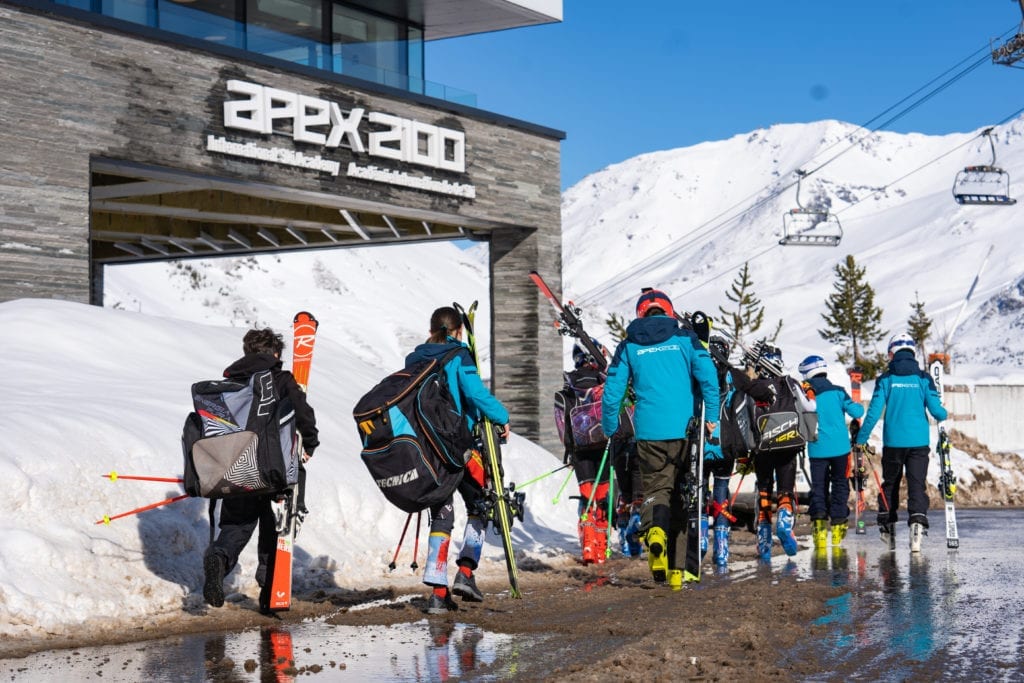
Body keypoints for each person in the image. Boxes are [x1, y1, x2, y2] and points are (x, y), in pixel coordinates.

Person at [601, 289, 719, 587]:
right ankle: (677, 572)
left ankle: (655, 533)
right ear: (668, 311)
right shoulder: (686, 339)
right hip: (685, 431)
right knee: (682, 495)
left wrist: (610, 427)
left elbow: (612, 391)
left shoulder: (628, 345)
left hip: (648, 432)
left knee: (656, 489)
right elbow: (708, 377)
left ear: (641, 313)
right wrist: (713, 418)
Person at [203, 328, 319, 611]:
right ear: (275, 353)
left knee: (236, 525)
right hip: (274, 470)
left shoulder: (231, 383)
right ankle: (269, 592)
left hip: (237, 468)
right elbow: (303, 413)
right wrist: (311, 442)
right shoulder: (281, 379)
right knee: (273, 529)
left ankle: (220, 557)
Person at [405, 306, 511, 614]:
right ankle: (466, 571)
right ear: (459, 332)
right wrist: (502, 417)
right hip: (460, 446)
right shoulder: (459, 356)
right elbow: (476, 394)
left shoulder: (413, 359)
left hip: (428, 450)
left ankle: (438, 592)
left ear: (430, 330)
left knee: (441, 513)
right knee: (480, 504)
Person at [853, 332, 947, 552]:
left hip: (893, 443)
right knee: (917, 484)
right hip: (918, 443)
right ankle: (917, 526)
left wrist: (861, 439)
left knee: (890, 484)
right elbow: (937, 412)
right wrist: (944, 411)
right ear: (912, 352)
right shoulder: (924, 378)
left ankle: (887, 528)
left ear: (892, 353)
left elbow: (873, 413)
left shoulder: (886, 379)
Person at [728, 344, 811, 561]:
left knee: (764, 490)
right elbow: (809, 408)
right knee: (786, 489)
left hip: (763, 448)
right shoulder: (790, 383)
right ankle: (784, 521)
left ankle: (764, 538)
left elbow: (743, 420)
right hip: (789, 444)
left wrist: (745, 453)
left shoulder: (754, 387)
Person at [555, 339, 614, 564]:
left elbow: (563, 425)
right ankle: (601, 547)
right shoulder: (605, 383)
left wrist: (569, 451)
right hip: (604, 446)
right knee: (602, 497)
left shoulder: (568, 388)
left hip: (580, 450)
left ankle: (588, 546)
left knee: (587, 496)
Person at [799, 355, 864, 549]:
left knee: (818, 488)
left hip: (816, 449)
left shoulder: (804, 394)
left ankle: (819, 531)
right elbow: (858, 412)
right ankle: (837, 528)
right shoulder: (838, 391)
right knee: (840, 486)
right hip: (840, 450)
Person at [705, 335, 738, 570]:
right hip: (725, 447)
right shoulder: (732, 378)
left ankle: (699, 545)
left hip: (700, 444)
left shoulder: (697, 373)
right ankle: (721, 552)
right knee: (721, 496)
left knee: (697, 496)